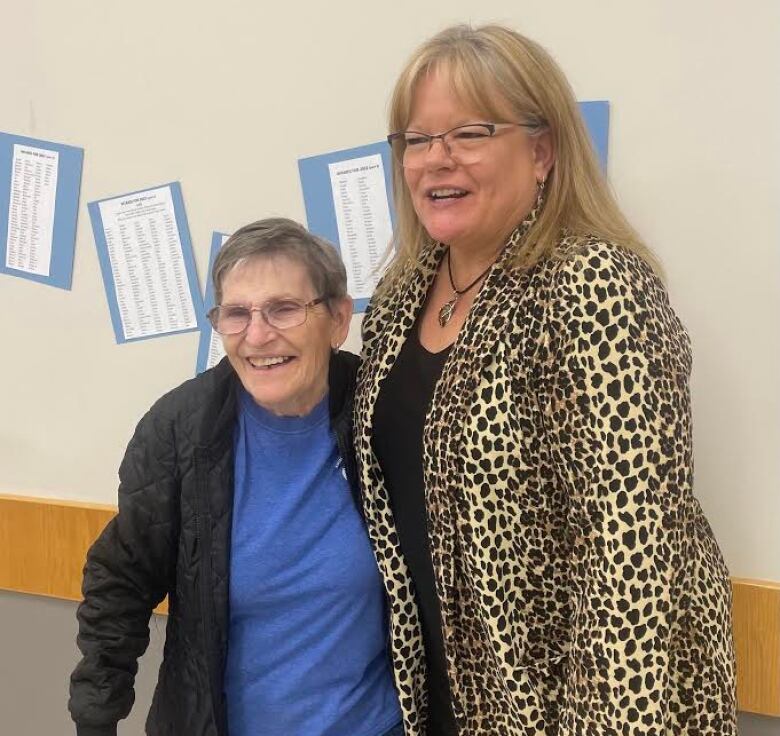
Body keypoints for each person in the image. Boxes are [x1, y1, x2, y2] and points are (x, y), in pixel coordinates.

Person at [354, 24, 737, 736]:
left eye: (469, 132)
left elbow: (634, 558)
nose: (437, 159)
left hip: (581, 709)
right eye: (416, 139)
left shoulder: (594, 285)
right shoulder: (403, 294)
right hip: (442, 694)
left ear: (541, 151)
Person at [69, 218, 403, 736]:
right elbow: (122, 581)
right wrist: (96, 717)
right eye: (237, 314)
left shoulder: (385, 414)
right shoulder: (181, 431)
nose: (258, 334)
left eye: (285, 308)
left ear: (338, 319)